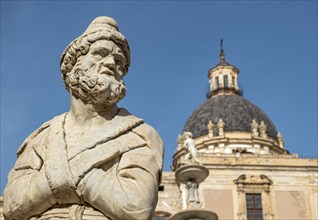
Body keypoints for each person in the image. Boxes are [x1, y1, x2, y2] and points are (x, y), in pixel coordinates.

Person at [4, 16, 164, 220]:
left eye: (119, 62)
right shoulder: (40, 139)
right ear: (73, 68)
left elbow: (135, 207)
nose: (110, 63)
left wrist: (60, 180)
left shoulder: (140, 135)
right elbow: (12, 204)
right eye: (100, 54)